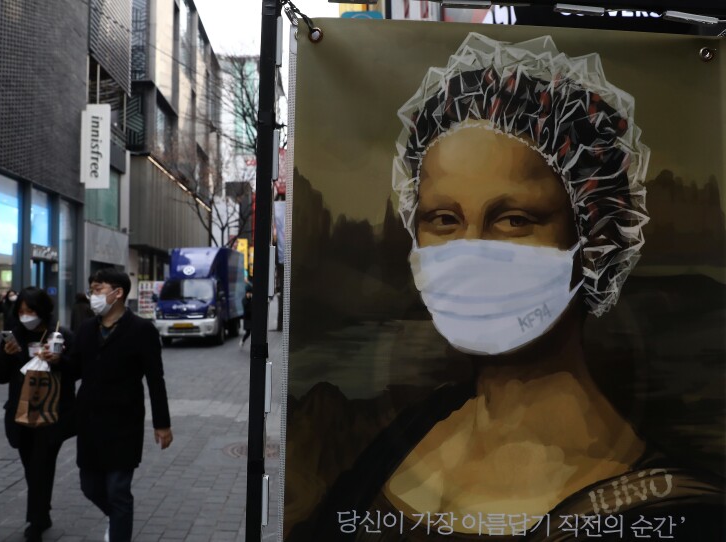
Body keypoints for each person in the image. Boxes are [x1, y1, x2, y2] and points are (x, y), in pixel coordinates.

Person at [289, 33, 724, 540]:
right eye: (444, 219)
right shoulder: (408, 434)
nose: (469, 253)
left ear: (595, 238)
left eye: (514, 220)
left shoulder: (671, 513)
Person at [67, 268, 173, 542]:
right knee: (90, 486)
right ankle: (117, 519)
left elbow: (155, 379)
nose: (93, 295)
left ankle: (119, 531)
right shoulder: (87, 329)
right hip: (89, 421)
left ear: (118, 293)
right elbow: (74, 370)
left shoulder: (141, 330)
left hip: (124, 422)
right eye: (91, 289)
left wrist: (162, 423)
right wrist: (55, 359)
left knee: (117, 489)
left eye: (99, 289)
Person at [0, 287, 76, 542]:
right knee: (33, 467)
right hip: (22, 414)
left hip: (52, 414)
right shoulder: (14, 337)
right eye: (22, 311)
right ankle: (42, 511)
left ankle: (35, 522)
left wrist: (59, 361)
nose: (26, 316)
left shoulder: (61, 335)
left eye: (31, 311)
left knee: (40, 465)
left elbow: (79, 370)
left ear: (43, 311)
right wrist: (6, 355)